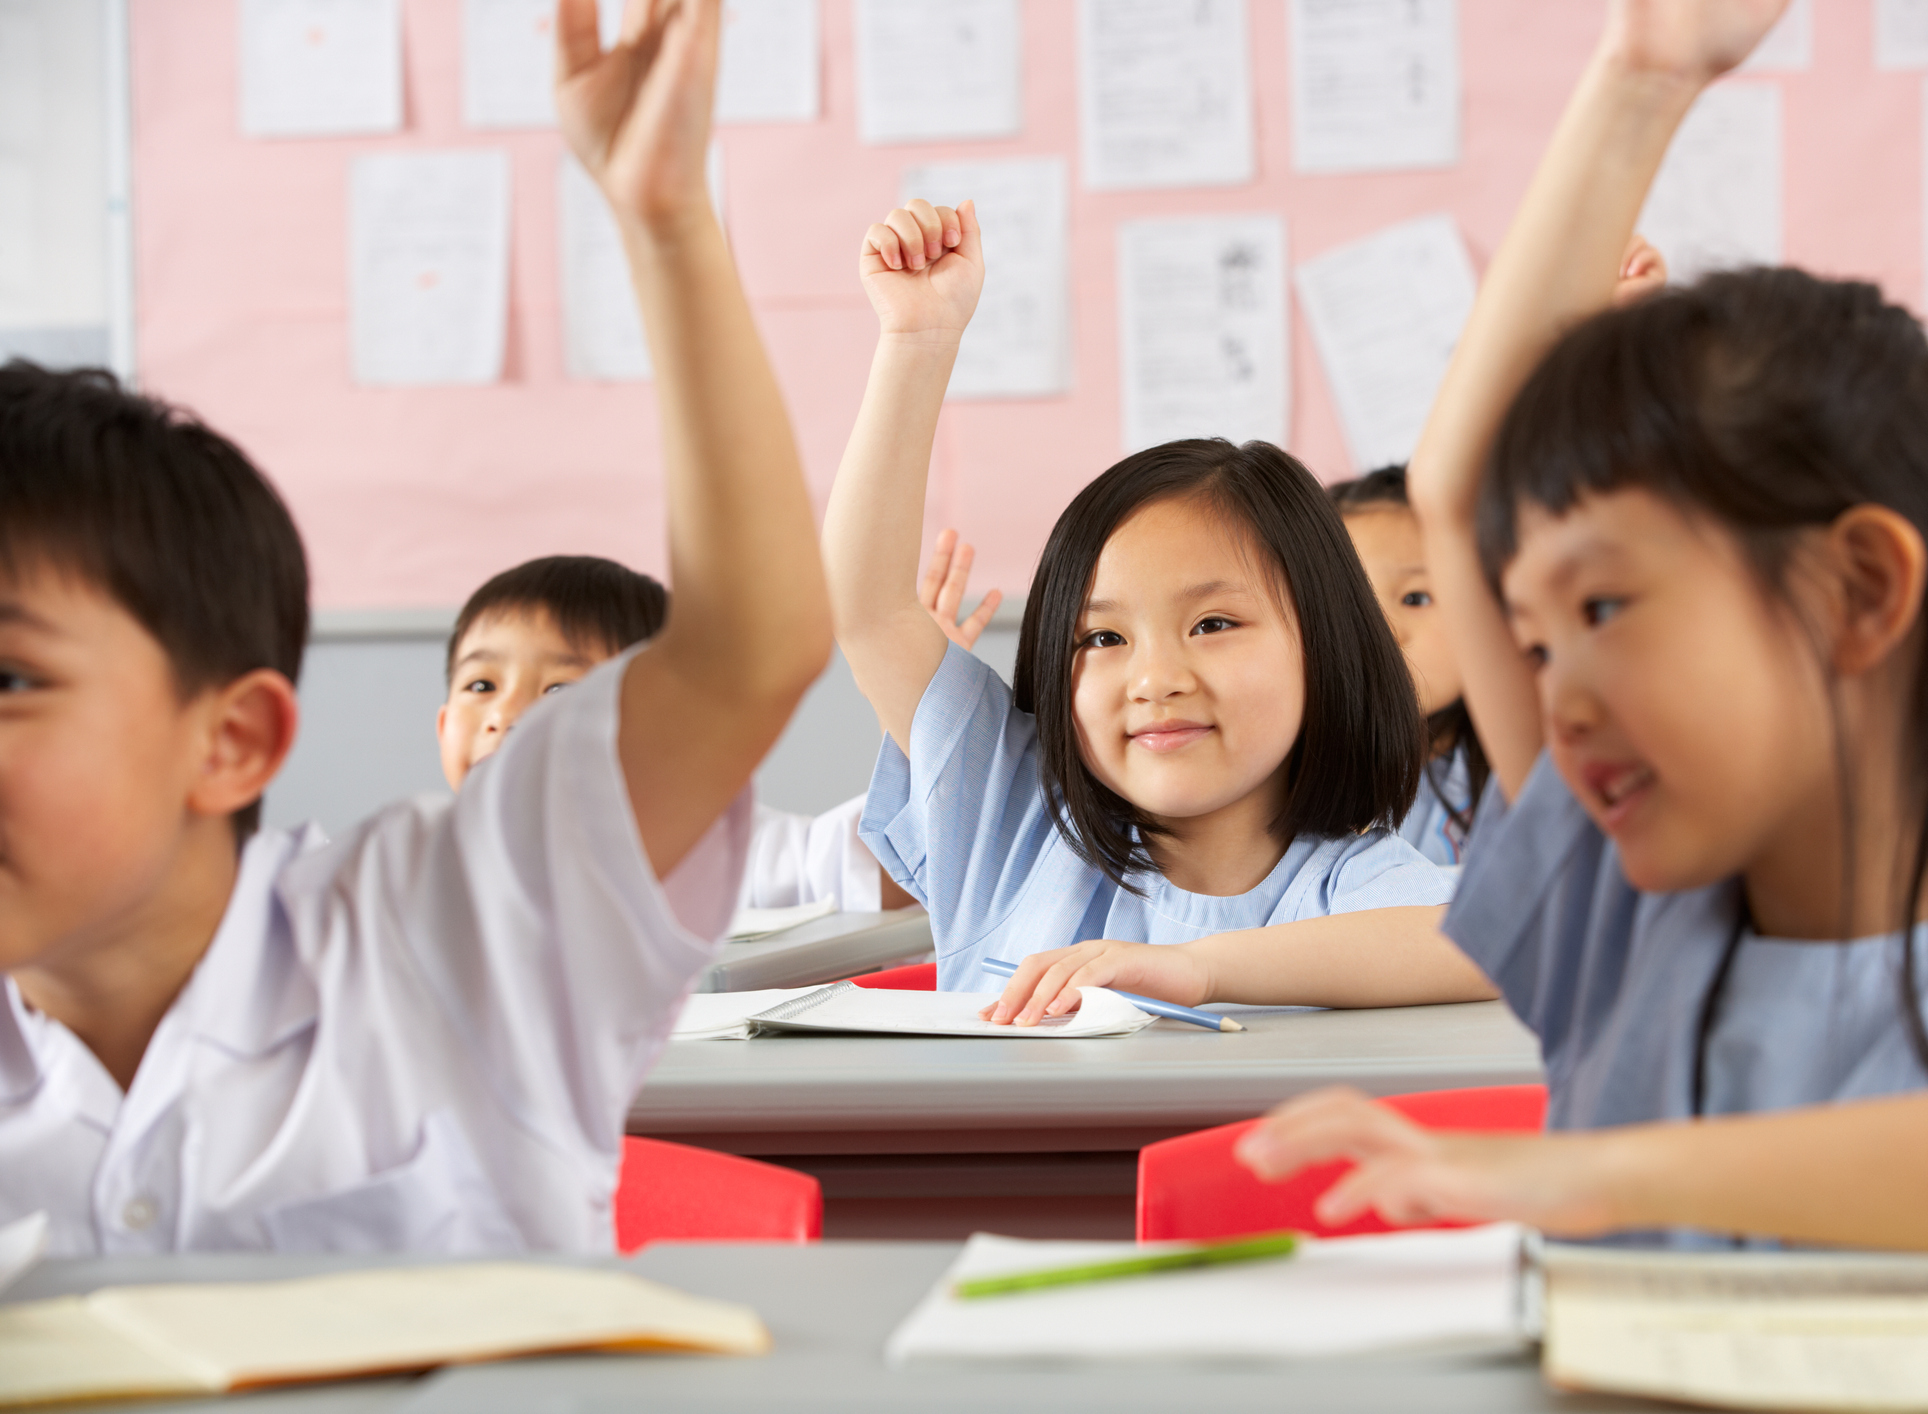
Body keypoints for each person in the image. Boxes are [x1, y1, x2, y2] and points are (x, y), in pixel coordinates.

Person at [1236, 0, 1928, 1256]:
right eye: (1535, 643)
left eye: (1604, 610)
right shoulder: (1632, 922)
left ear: (1858, 592)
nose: (1558, 696)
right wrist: (1641, 72)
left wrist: (1608, 1175)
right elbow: (1462, 488)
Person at [0, 0, 832, 1255]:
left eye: (9, 675)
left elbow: (747, 651)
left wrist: (664, 222)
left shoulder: (454, 922)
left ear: (229, 741)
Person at [825, 197, 1495, 1009]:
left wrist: (1203, 970)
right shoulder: (1010, 819)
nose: (1155, 677)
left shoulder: (1353, 880)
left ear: (1325, 648)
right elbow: (868, 608)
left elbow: (1477, 946)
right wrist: (916, 341)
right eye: (1101, 639)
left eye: (1212, 624)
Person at [434, 537, 995, 916]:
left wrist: (924, 702)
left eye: (560, 690)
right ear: (442, 727)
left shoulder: (725, 852)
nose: (505, 717)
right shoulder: (419, 876)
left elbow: (906, 870)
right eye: (481, 685)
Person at [1329, 238, 1665, 867]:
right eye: (1346, 604)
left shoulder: (1530, 759)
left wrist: (1614, 359)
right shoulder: (1292, 780)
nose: (1383, 631)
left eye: (1418, 596)